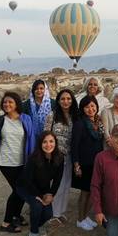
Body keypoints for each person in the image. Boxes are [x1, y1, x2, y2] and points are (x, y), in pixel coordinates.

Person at [0, 91, 36, 233]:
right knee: (19, 190)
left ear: (17, 104)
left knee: (22, 190)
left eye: (10, 102)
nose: (7, 104)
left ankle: (16, 215)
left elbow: (31, 139)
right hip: (6, 162)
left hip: (23, 161)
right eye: (5, 102)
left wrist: (32, 160)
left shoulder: (26, 119)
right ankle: (6, 223)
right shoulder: (0, 121)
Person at [16, 132, 64, 236]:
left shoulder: (60, 158)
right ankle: (33, 232)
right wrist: (39, 196)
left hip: (43, 188)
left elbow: (58, 179)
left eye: (51, 141)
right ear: (40, 144)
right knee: (37, 206)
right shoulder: (34, 158)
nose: (48, 145)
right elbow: (27, 180)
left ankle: (39, 225)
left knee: (48, 213)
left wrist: (51, 194)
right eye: (45, 142)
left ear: (55, 143)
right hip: (25, 187)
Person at [44, 89, 79, 224]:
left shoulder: (75, 116)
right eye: (63, 99)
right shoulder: (52, 116)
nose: (66, 101)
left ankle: (60, 212)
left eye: (68, 99)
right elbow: (45, 135)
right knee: (54, 185)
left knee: (65, 184)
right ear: (58, 101)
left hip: (69, 155)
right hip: (54, 156)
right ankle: (51, 213)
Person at [71, 95, 104, 231]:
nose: (90, 109)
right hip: (84, 164)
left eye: (92, 106)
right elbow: (74, 145)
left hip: (96, 163)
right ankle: (80, 219)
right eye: (87, 107)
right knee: (85, 193)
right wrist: (76, 165)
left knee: (93, 192)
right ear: (82, 109)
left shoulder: (98, 122)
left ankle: (85, 217)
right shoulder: (80, 123)